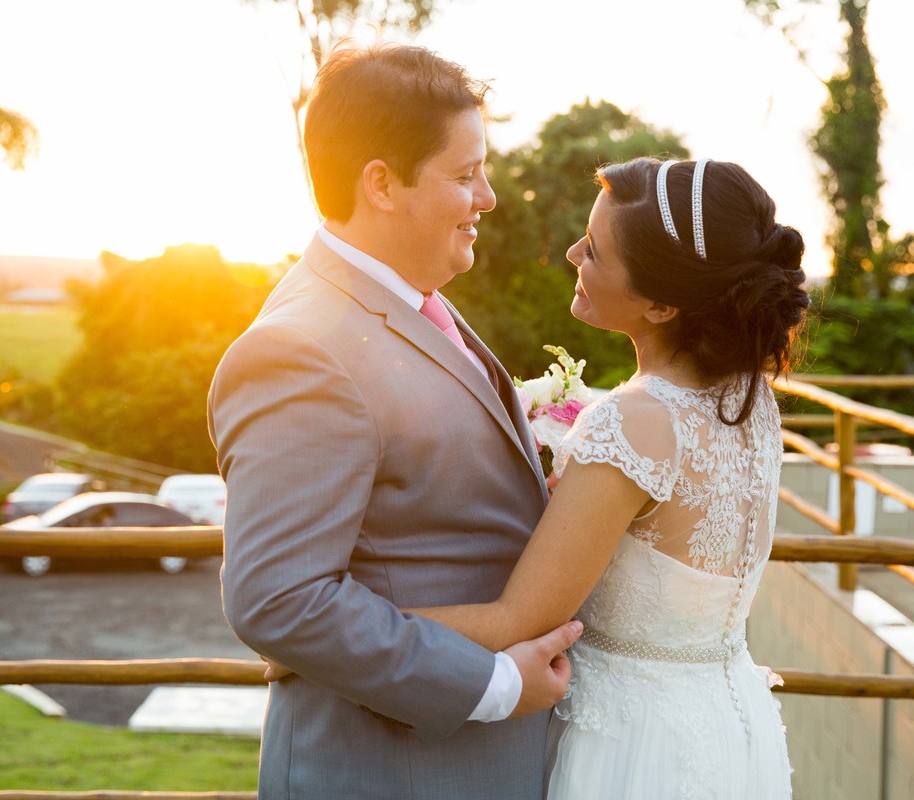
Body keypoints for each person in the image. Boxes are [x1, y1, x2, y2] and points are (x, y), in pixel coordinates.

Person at [207, 43, 582, 800]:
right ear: (380, 183)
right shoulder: (302, 350)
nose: (488, 198)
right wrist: (493, 685)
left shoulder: (411, 303)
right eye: (465, 174)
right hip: (391, 770)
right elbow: (280, 599)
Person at [399, 157, 809, 797]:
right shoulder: (751, 402)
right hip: (729, 728)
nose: (572, 253)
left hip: (634, 748)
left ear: (663, 303)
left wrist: (337, 633)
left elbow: (516, 620)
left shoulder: (631, 422)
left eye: (593, 250)